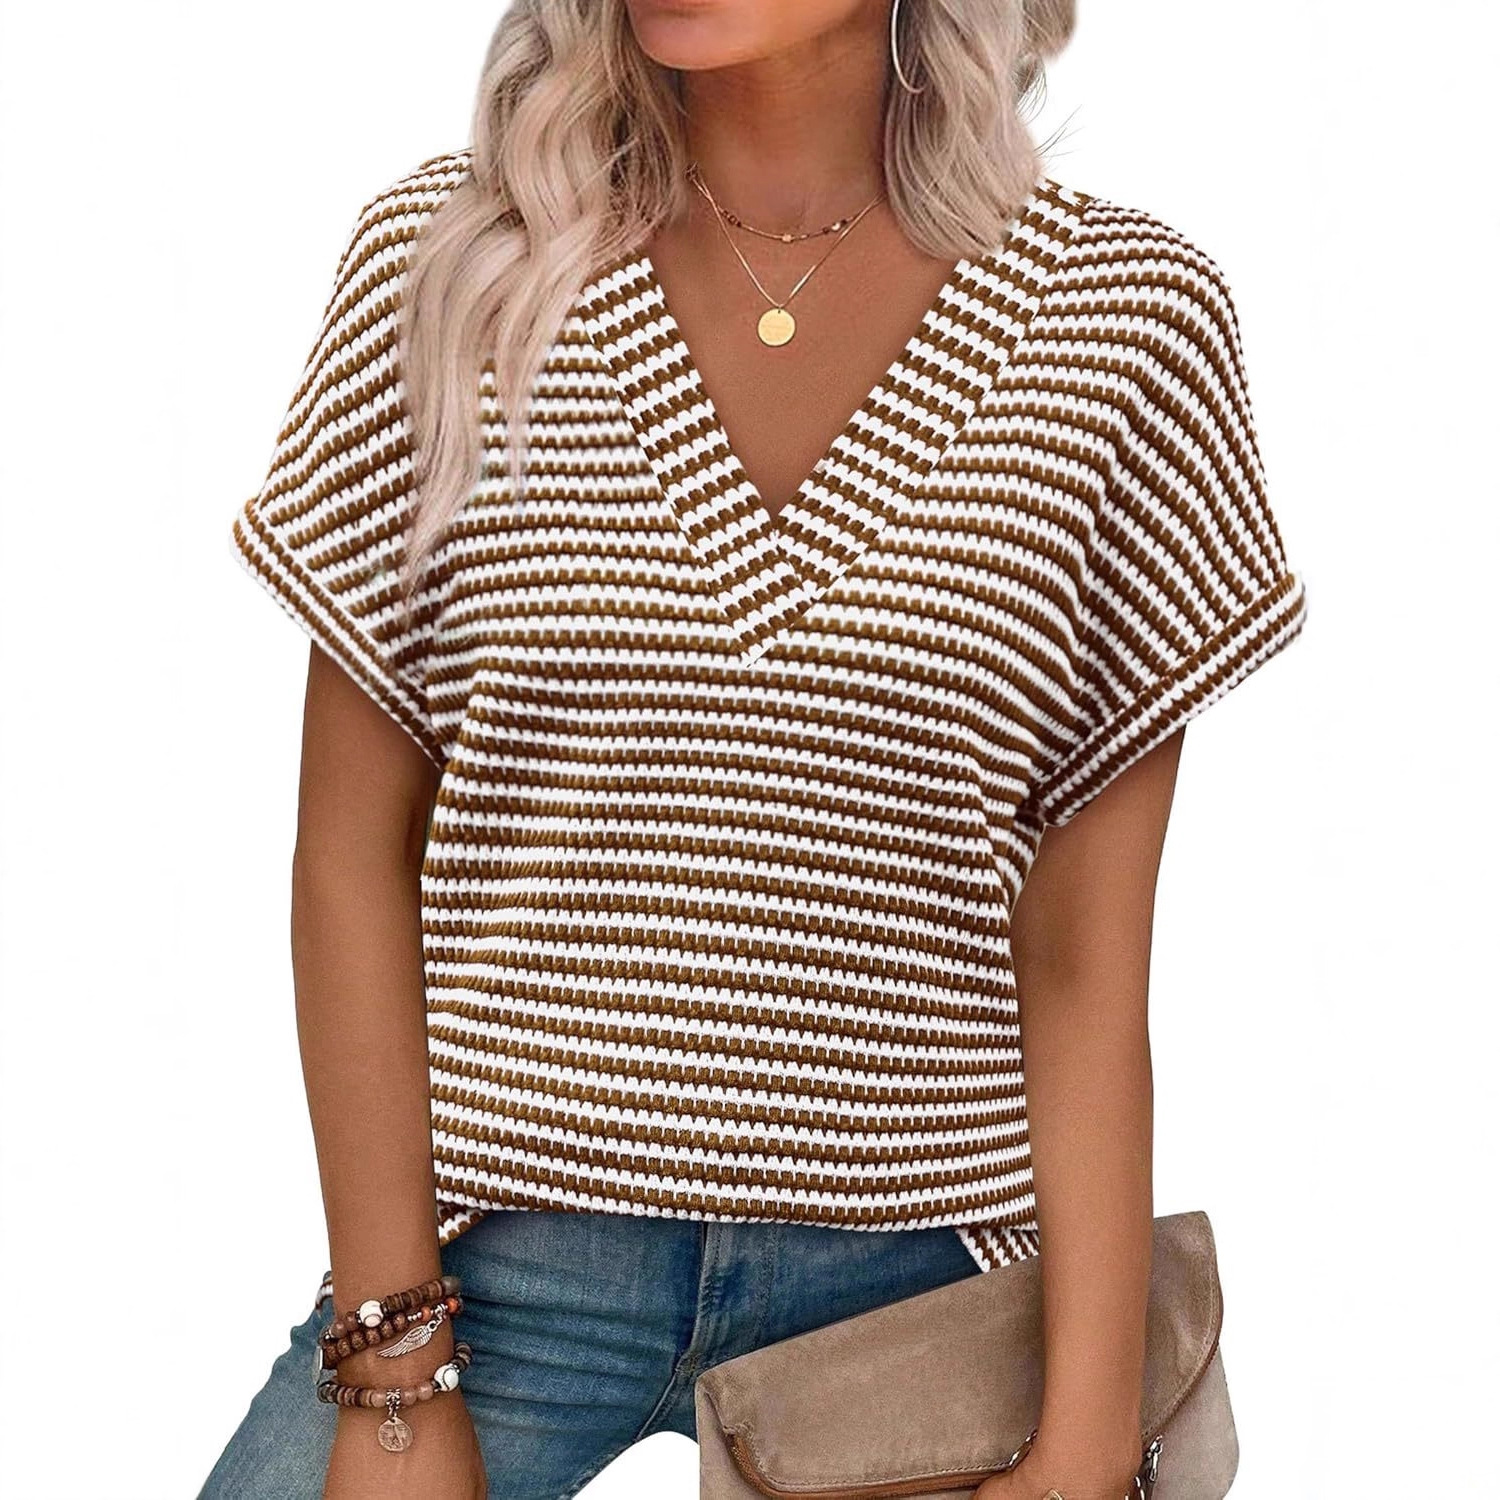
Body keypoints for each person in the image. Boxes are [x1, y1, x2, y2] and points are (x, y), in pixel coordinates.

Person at [200, 1, 1309, 1496]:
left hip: (922, 1283)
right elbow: (349, 855)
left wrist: (1088, 1441)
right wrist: (394, 1376)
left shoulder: (1120, 318)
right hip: (496, 1266)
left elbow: (1085, 960)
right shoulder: (459, 265)